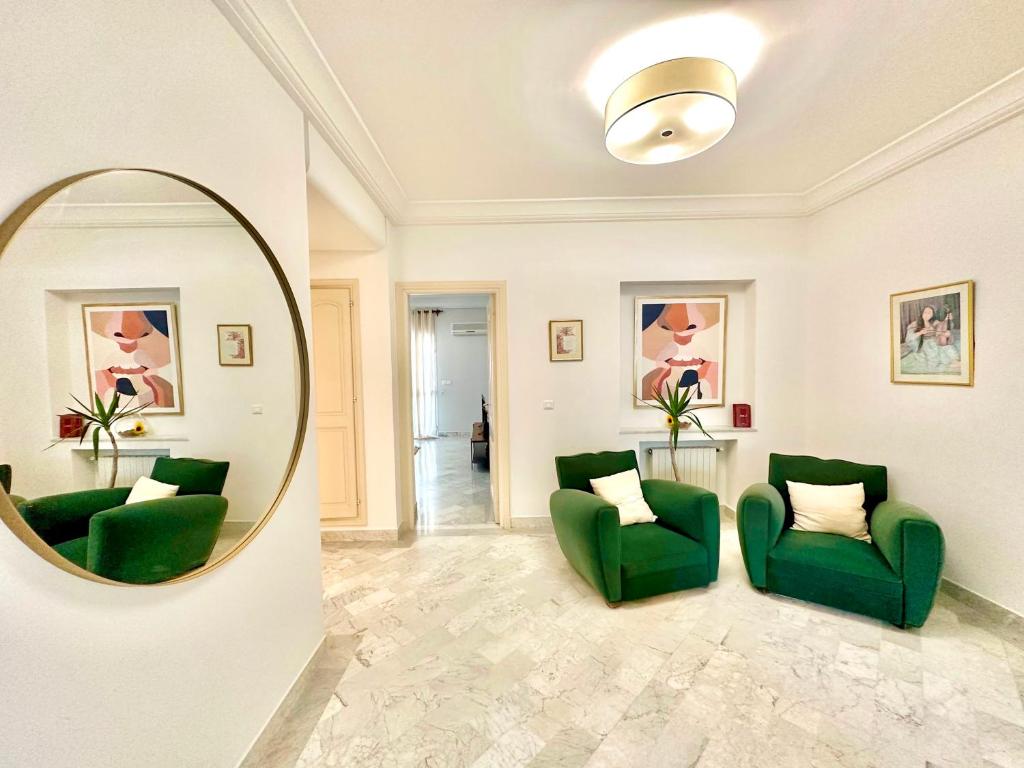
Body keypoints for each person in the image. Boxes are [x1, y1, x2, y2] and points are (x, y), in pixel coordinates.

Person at [901, 305, 960, 374]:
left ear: (932, 315)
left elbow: (943, 328)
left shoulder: (935, 322)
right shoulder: (915, 323)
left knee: (946, 346)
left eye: (929, 313)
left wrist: (948, 320)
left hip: (935, 341)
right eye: (925, 312)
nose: (926, 314)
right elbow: (909, 338)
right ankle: (946, 364)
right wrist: (920, 333)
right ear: (922, 313)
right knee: (934, 354)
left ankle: (955, 361)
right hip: (924, 344)